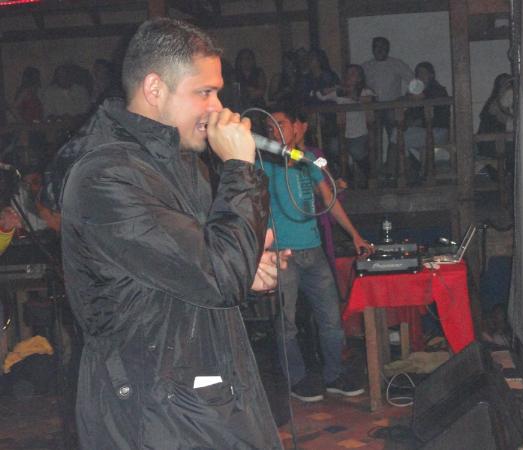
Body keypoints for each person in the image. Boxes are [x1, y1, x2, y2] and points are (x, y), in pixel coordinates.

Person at [57, 18, 287, 449]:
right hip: (152, 414)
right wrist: (240, 168)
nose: (218, 107)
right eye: (205, 92)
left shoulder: (178, 165)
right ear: (154, 88)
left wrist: (246, 263)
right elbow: (217, 276)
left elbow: (196, 267)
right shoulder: (105, 178)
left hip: (195, 397)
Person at [260, 103, 372, 402]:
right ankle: (296, 379)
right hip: (283, 253)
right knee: (286, 323)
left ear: (297, 127)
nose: (275, 131)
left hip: (313, 250)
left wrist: (355, 234)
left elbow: (329, 200)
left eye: (281, 125)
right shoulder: (262, 162)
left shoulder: (307, 158)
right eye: (270, 128)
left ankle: (334, 374)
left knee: (331, 319)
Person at [316, 64, 375, 188]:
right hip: (342, 133)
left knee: (356, 151)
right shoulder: (339, 92)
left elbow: (371, 99)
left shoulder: (365, 91)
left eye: (353, 73)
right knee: (333, 148)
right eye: (347, 73)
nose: (349, 76)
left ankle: (369, 175)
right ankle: (347, 175)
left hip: (359, 133)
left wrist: (353, 96)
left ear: (359, 78)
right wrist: (334, 88)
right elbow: (320, 95)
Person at [362, 37, 413, 171]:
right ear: (372, 49)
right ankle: (376, 170)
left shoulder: (396, 64)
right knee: (373, 141)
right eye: (376, 46)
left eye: (383, 46)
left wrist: (405, 98)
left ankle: (394, 168)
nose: (380, 49)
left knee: (395, 138)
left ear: (388, 48)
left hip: (392, 109)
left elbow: (413, 82)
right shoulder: (366, 67)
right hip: (373, 109)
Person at [403, 61, 450, 169]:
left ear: (431, 75)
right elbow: (410, 113)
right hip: (423, 131)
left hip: (438, 131)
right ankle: (416, 170)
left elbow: (440, 116)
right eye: (418, 73)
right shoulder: (414, 91)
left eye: (423, 73)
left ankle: (405, 170)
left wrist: (420, 122)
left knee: (397, 137)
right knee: (398, 134)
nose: (420, 76)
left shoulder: (438, 90)